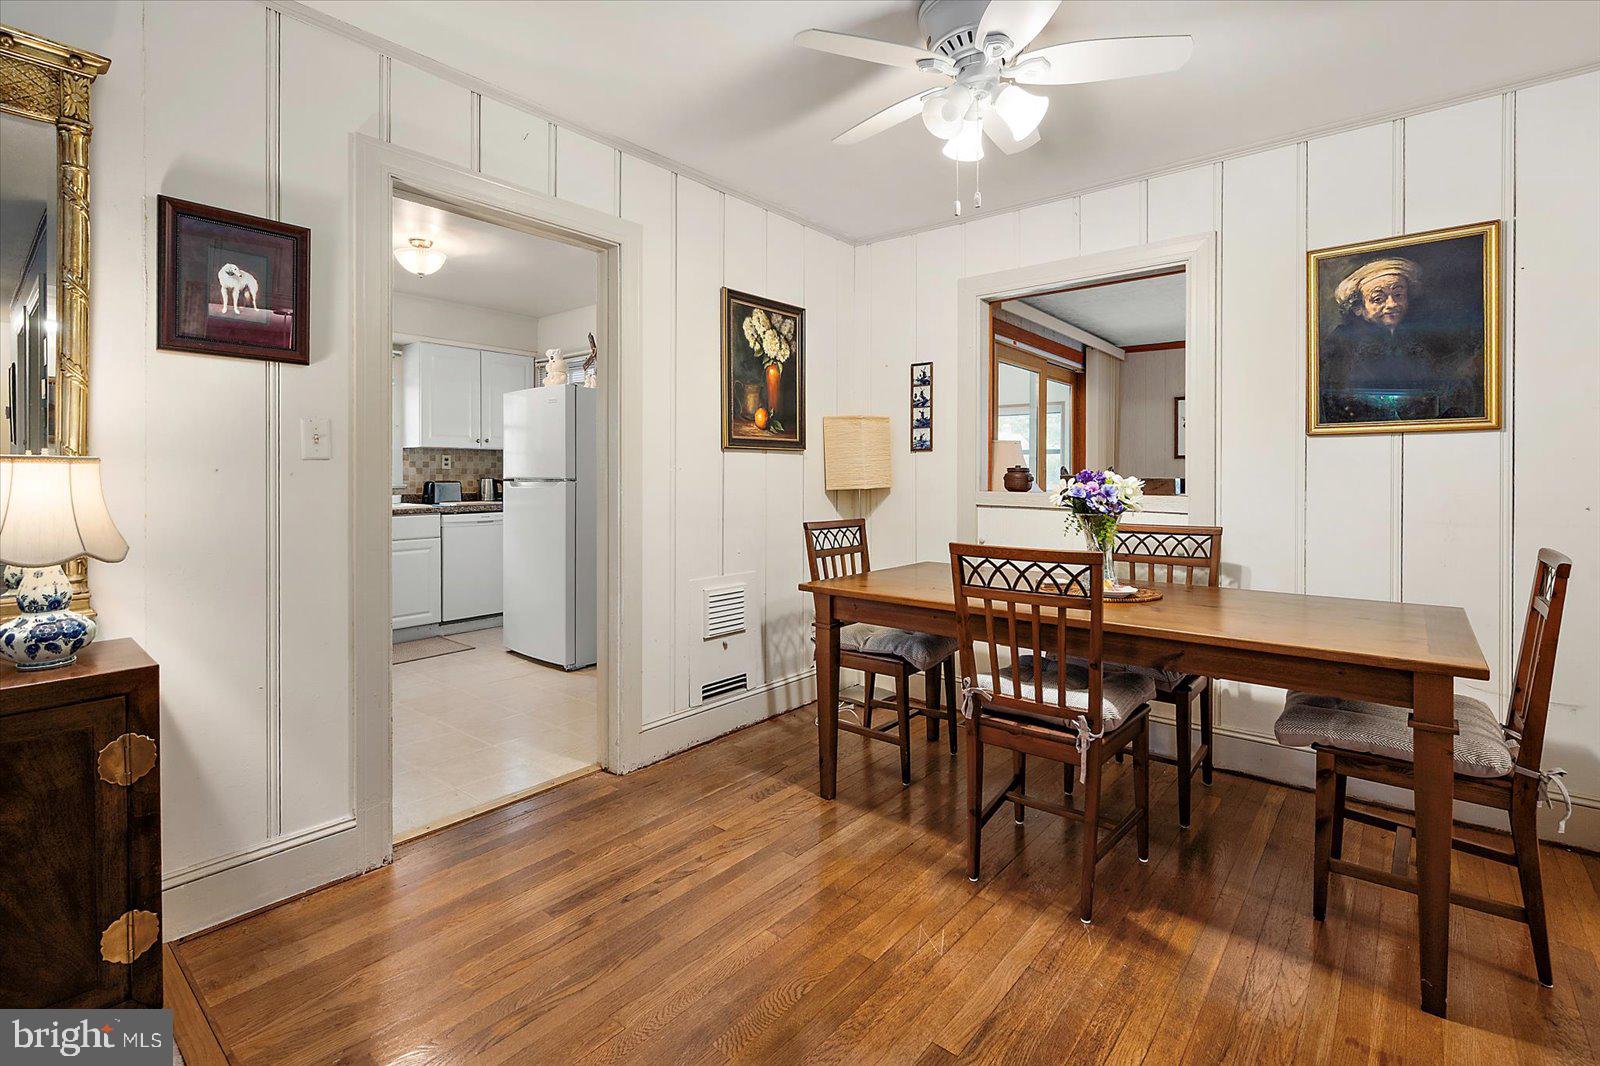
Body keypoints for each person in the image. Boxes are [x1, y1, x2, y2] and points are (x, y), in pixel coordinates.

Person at [1318, 255, 1484, 424]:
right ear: (1358, 307)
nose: (1392, 304)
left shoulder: (1417, 338)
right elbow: (1334, 399)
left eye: (1398, 295)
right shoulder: (1341, 341)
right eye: (1378, 299)